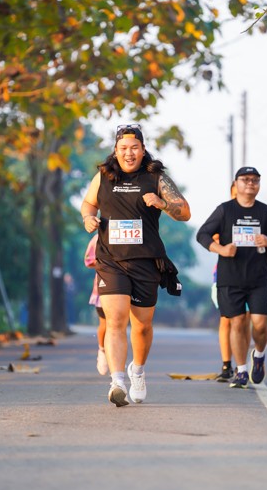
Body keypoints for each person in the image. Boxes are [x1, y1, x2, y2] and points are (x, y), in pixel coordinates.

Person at [81, 123, 191, 407]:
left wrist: (162, 203)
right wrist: (88, 218)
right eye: (123, 148)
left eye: (134, 148)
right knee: (116, 320)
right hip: (111, 260)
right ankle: (117, 381)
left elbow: (185, 212)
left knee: (142, 326)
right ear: (115, 151)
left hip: (146, 261)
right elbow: (88, 204)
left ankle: (137, 370)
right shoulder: (103, 176)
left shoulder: (156, 178)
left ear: (143, 150)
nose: (128, 153)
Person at [197, 166, 267, 389]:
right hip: (230, 277)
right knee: (236, 323)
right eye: (245, 179)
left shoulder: (265, 212)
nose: (250, 183)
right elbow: (202, 234)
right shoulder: (224, 210)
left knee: (260, 324)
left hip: (258, 278)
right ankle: (241, 370)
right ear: (235, 184)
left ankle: (259, 355)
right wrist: (221, 249)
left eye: (255, 180)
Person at [211, 181, 251, 383]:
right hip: (225, 274)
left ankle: (241, 366)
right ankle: (226, 365)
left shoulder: (256, 215)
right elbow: (211, 238)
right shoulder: (224, 214)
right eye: (237, 193)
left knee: (245, 321)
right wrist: (225, 244)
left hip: (250, 275)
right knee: (227, 319)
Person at [84, 233, 108, 376]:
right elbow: (88, 260)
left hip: (126, 285)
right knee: (104, 323)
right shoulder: (99, 237)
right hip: (104, 284)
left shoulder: (130, 232)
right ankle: (102, 350)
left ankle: (116, 356)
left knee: (120, 323)